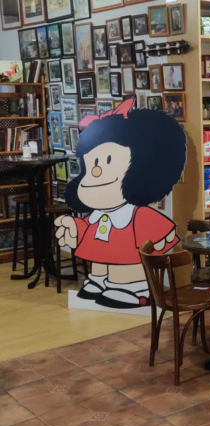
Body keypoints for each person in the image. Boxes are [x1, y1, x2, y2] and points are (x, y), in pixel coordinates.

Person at [55, 100, 187, 309]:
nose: (95, 173)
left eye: (107, 162)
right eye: (91, 167)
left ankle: (129, 287)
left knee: (124, 261)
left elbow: (156, 232)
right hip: (100, 263)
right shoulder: (97, 214)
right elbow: (88, 229)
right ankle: (99, 280)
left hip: (130, 265)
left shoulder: (137, 215)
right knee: (100, 257)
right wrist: (74, 227)